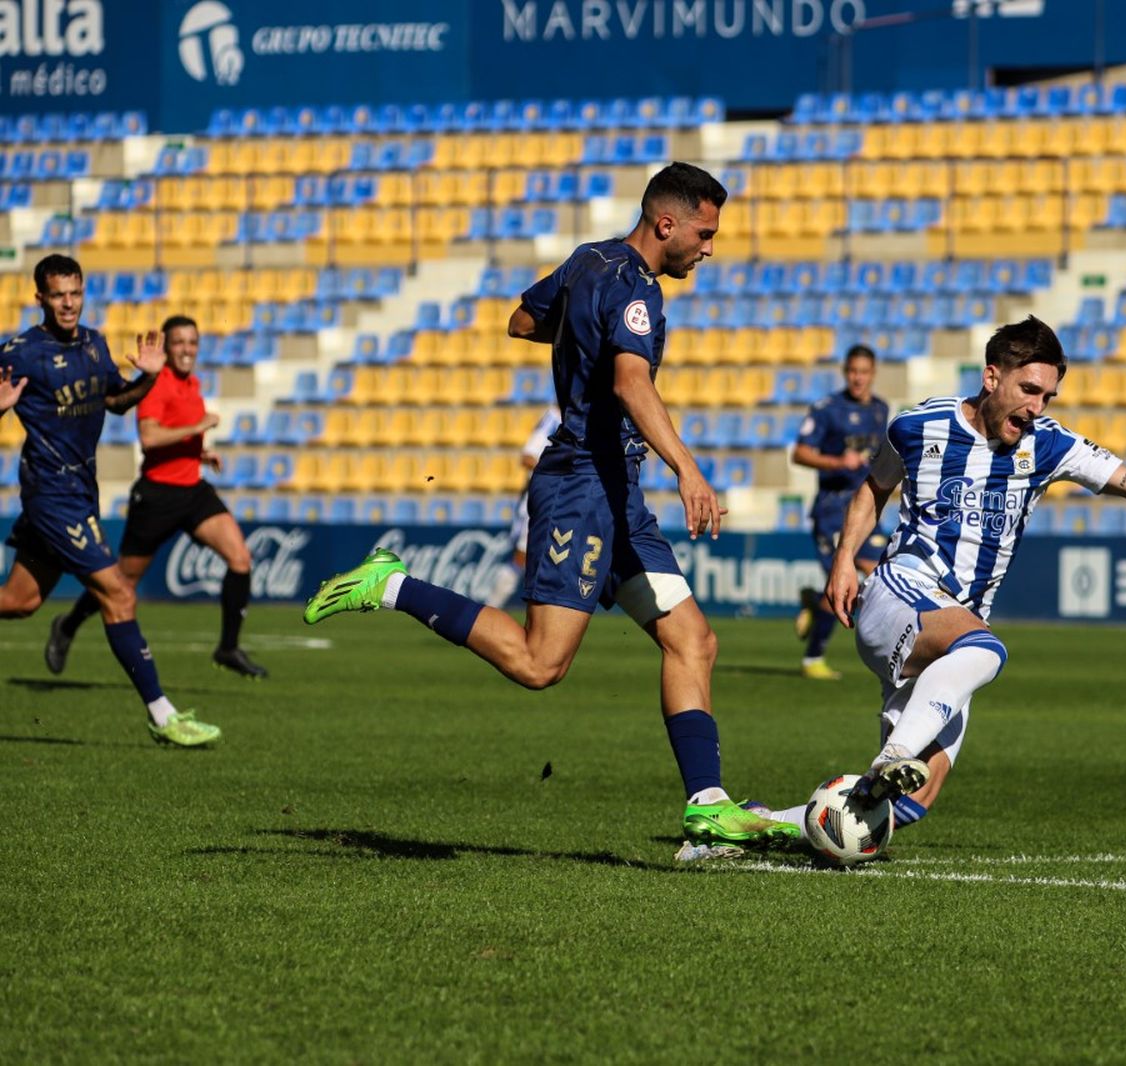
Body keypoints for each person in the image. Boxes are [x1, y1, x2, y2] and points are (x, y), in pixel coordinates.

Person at [300, 163, 796, 847]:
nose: (709, 247)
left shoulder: (587, 260)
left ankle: (707, 803)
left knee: (693, 640)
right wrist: (690, 469)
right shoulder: (638, 291)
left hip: (616, 489)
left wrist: (580, 343)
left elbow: (522, 319)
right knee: (540, 665)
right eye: (704, 234)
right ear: (666, 224)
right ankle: (392, 584)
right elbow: (630, 384)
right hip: (582, 485)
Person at [753, 316, 1126, 830]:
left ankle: (756, 825)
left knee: (895, 811)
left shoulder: (1049, 444)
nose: (1036, 407)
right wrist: (846, 560)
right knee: (985, 651)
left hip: (952, 633)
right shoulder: (917, 425)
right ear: (991, 376)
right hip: (902, 592)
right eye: (1028, 389)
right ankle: (892, 758)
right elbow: (873, 488)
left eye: (1047, 396)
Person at [0, 255, 221, 746]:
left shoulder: (94, 344)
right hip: (52, 496)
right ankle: (164, 717)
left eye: (75, 293)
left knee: (21, 602)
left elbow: (116, 404)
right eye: (58, 295)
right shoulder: (20, 352)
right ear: (39, 298)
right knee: (119, 593)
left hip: (80, 490)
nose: (68, 304)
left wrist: (146, 378)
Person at [44, 315, 267, 678]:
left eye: (192, 342)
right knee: (122, 583)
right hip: (158, 496)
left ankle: (228, 648)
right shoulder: (158, 383)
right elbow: (149, 437)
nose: (187, 349)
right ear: (165, 347)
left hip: (193, 490)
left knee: (240, 558)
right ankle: (67, 626)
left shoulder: (191, 382)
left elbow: (174, 437)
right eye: (179, 342)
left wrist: (199, 453)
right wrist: (197, 427)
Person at [790, 344, 890, 681]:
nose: (858, 378)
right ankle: (812, 659)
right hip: (833, 509)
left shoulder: (880, 410)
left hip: (865, 507)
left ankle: (814, 604)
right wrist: (838, 462)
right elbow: (800, 453)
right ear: (845, 372)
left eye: (864, 372)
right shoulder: (827, 409)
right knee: (863, 568)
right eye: (852, 372)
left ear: (873, 374)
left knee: (876, 576)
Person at [489, 404, 561, 609]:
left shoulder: (585, 417)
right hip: (540, 500)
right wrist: (560, 470)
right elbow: (528, 457)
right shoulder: (554, 418)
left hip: (563, 499)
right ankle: (489, 610)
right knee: (522, 557)